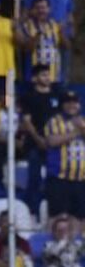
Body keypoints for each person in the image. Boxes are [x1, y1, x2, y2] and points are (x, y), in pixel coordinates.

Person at [21, 65, 61, 216]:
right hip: (34, 144)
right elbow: (27, 121)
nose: (47, 78)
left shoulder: (56, 95)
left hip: (54, 144)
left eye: (48, 75)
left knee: (54, 179)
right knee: (34, 178)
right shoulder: (28, 97)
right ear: (35, 78)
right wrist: (39, 140)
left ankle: (51, 212)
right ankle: (31, 211)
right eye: (43, 75)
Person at [43, 91, 85, 231]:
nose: (72, 105)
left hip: (80, 179)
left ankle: (76, 246)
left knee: (79, 216)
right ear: (62, 105)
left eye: (75, 102)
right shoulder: (54, 121)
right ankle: (52, 245)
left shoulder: (83, 121)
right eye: (68, 102)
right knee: (57, 215)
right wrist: (76, 132)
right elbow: (52, 141)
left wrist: (82, 129)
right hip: (59, 178)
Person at [25, 0, 74, 82]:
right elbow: (26, 12)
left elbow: (69, 14)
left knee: (61, 76)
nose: (41, 10)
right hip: (37, 34)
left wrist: (69, 32)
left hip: (59, 36)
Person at [17, 0, 69, 87]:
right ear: (32, 10)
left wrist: (61, 33)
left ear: (49, 9)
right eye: (37, 8)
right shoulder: (27, 26)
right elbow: (26, 50)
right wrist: (37, 35)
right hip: (34, 77)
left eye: (44, 7)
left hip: (54, 76)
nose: (41, 11)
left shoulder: (54, 25)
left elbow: (66, 46)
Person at [0, 94, 27, 189]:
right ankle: (0, 181)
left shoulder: (20, 109)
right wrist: (14, 142)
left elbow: (24, 127)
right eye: (3, 96)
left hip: (16, 140)